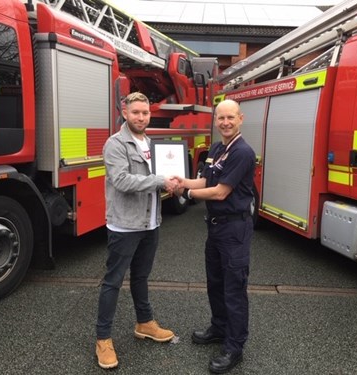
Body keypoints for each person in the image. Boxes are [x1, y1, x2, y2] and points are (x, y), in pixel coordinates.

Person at [95, 92, 177, 369]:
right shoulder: (115, 144)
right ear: (125, 112)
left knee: (141, 277)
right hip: (124, 225)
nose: (141, 117)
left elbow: (160, 179)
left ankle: (144, 323)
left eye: (145, 113)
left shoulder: (152, 143)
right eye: (136, 112)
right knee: (113, 282)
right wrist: (161, 180)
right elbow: (121, 180)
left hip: (150, 223)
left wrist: (174, 182)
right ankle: (103, 339)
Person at [175, 99, 255, 374]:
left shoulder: (243, 152)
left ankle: (234, 347)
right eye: (221, 118)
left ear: (240, 119)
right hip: (216, 227)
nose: (225, 122)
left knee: (233, 288)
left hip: (234, 230)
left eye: (230, 117)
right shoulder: (218, 148)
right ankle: (219, 328)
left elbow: (221, 192)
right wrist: (182, 181)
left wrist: (187, 194)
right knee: (215, 283)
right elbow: (206, 182)